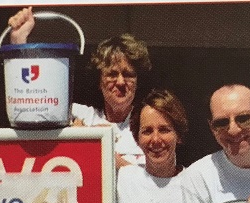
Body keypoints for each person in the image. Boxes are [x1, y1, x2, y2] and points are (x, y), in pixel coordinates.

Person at [8, 7, 150, 167]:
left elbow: (150, 182)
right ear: (99, 80)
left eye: (128, 74)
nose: (121, 82)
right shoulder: (77, 114)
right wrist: (18, 41)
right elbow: (30, 103)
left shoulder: (149, 122)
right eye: (112, 74)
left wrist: (95, 144)